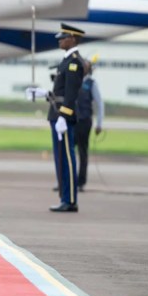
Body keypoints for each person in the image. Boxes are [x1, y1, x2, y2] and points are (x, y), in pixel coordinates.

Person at [30, 23, 85, 212]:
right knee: (60, 159)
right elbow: (61, 91)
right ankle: (64, 198)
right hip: (57, 114)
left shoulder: (74, 62)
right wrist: (44, 93)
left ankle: (70, 201)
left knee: (67, 159)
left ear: (73, 39)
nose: (60, 40)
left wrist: (64, 116)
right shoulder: (66, 60)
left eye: (63, 38)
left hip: (63, 117)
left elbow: (71, 94)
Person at [74, 59, 104, 191]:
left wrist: (99, 124)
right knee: (68, 151)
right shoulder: (74, 81)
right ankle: (67, 180)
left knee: (83, 152)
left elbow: (99, 104)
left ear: (88, 69)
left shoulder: (91, 84)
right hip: (72, 120)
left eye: (85, 66)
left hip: (85, 121)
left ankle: (81, 182)